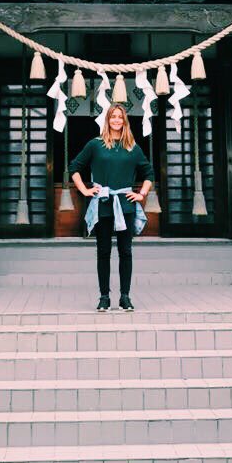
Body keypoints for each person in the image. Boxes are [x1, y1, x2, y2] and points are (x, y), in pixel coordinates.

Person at [69, 103, 154, 312]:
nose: (116, 120)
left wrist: (141, 194)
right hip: (103, 204)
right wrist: (85, 190)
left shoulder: (132, 147)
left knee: (125, 251)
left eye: (120, 117)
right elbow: (74, 167)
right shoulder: (96, 144)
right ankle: (104, 297)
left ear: (125, 121)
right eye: (113, 116)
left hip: (126, 205)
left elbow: (149, 173)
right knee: (103, 251)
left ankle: (125, 297)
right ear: (107, 120)